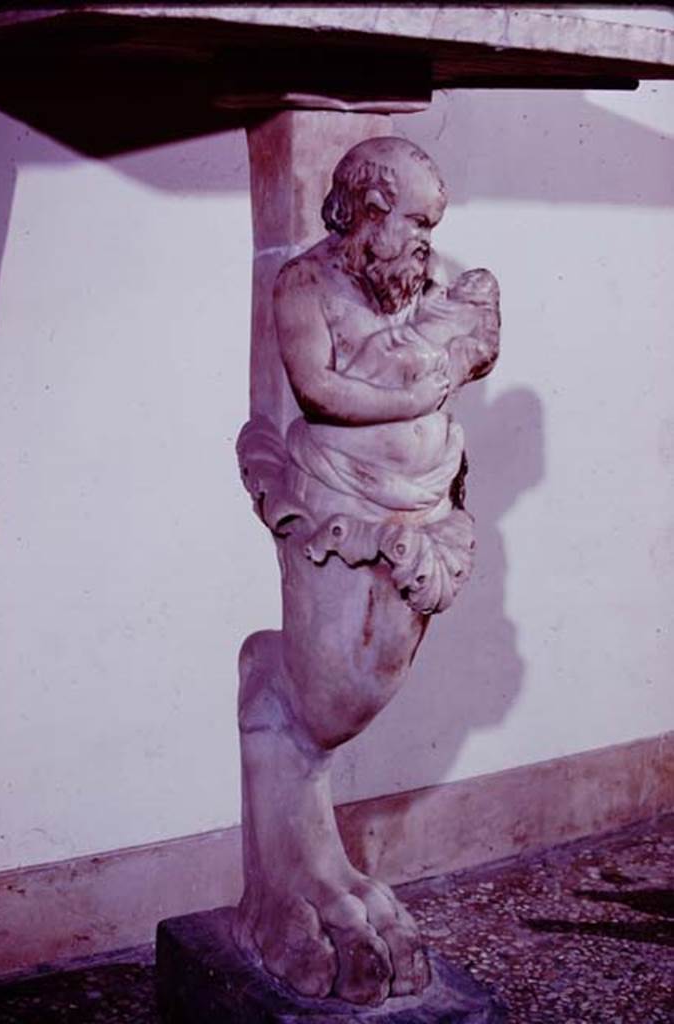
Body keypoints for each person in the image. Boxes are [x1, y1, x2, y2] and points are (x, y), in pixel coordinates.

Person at [234, 137, 500, 1007]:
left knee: (371, 680)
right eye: (417, 222)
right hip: (339, 504)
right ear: (368, 206)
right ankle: (287, 862)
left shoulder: (409, 285)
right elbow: (318, 389)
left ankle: (310, 855)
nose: (427, 241)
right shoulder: (304, 282)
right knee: (326, 696)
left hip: (422, 508)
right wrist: (419, 395)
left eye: (434, 225)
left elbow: (459, 346)